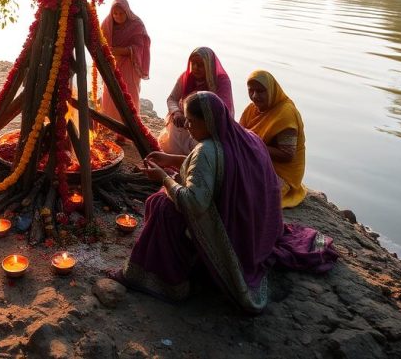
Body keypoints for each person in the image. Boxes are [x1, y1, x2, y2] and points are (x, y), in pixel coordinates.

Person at [110, 91, 336, 311]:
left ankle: (172, 280)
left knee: (160, 204)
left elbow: (194, 203)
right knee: (165, 195)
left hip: (229, 232)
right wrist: (171, 159)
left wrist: (163, 177)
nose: (187, 127)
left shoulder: (207, 150)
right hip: (253, 225)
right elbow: (216, 168)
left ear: (208, 121)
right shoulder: (244, 137)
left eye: (191, 122)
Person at [240, 70, 308, 208]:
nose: (255, 96)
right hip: (259, 164)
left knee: (244, 190)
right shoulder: (253, 109)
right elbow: (240, 134)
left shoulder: (285, 114)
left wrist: (253, 145)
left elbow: (287, 155)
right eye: (251, 91)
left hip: (282, 175)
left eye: (260, 91)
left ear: (271, 90)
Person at [157, 47, 233, 155]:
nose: (196, 68)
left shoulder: (221, 81)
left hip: (208, 126)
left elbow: (224, 109)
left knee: (201, 151)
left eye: (201, 65)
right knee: (174, 131)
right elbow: (172, 98)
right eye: (193, 64)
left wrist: (199, 120)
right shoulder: (186, 77)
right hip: (184, 122)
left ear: (209, 65)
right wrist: (177, 112)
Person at [99, 0, 151, 125]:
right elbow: (100, 41)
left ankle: (128, 126)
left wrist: (117, 50)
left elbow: (139, 47)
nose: (118, 16)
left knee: (129, 94)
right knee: (110, 93)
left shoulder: (137, 25)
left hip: (130, 64)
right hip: (113, 64)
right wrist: (109, 52)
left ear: (127, 12)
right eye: (115, 13)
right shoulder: (108, 23)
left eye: (121, 13)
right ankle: (111, 123)